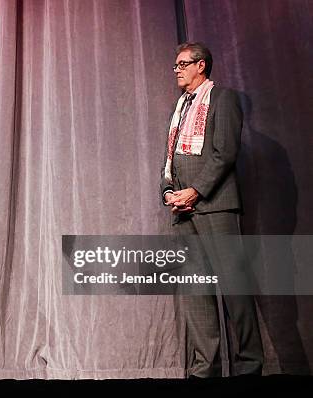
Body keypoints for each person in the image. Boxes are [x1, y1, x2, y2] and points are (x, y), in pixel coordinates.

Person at [160, 42, 263, 377]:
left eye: (182, 64)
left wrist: (196, 191)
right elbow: (170, 156)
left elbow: (225, 153)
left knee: (234, 288)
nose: (176, 69)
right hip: (183, 211)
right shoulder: (179, 107)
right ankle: (206, 369)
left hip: (215, 206)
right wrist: (168, 191)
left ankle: (249, 366)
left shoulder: (222, 99)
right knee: (196, 292)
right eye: (175, 65)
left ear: (200, 65)